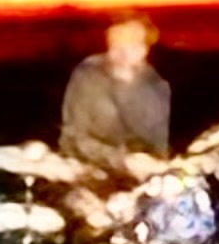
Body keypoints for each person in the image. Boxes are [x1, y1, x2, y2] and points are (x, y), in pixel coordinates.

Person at [58, 13, 172, 186]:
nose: (121, 51)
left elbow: (159, 146)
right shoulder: (88, 77)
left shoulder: (157, 86)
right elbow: (74, 137)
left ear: (145, 48)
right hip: (86, 175)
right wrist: (121, 160)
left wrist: (156, 167)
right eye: (116, 43)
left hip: (139, 180)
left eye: (131, 44)